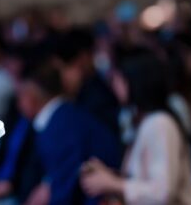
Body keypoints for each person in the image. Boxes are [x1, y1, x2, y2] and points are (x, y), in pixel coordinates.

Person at [81, 55, 191, 205]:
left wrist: (113, 183)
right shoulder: (144, 121)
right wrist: (110, 177)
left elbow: (163, 193)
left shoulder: (159, 123)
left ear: (137, 83)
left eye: (121, 80)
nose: (115, 85)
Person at [19, 63, 121, 205]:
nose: (19, 105)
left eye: (20, 97)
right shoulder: (62, 116)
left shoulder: (61, 124)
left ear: (30, 97)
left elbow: (66, 184)